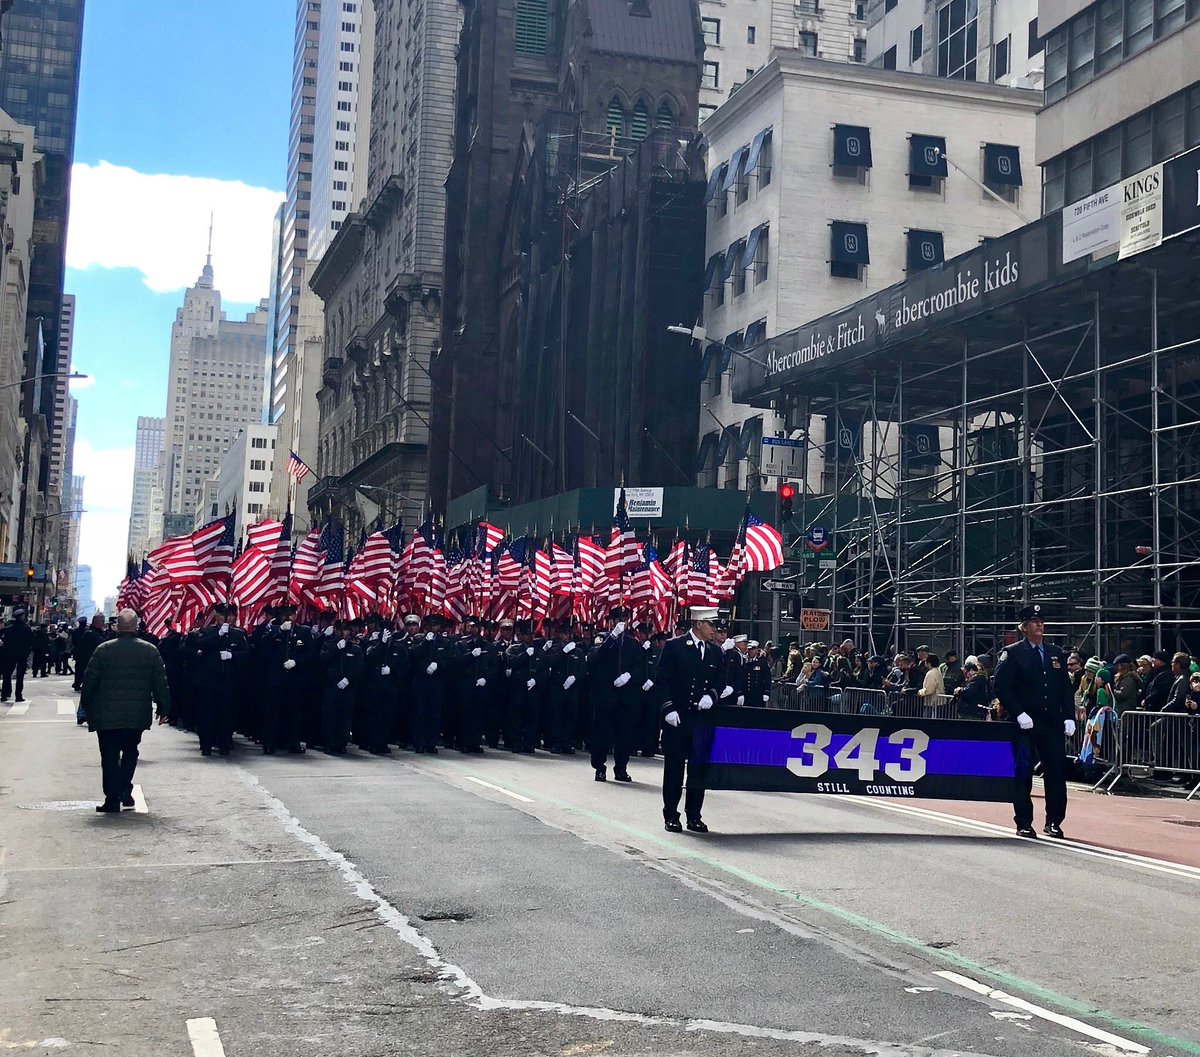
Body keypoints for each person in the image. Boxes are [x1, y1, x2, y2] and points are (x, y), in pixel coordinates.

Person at [993, 604, 1075, 839]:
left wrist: (1069, 715)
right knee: (1023, 773)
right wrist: (1018, 712)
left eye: (1041, 621)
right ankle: (1024, 822)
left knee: (1056, 772)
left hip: (1051, 721)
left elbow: (1064, 688)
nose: (1040, 625)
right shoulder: (1013, 652)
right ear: (1024, 627)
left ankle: (1054, 821)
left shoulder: (1055, 652)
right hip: (1026, 722)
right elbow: (1002, 686)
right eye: (1034, 622)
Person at [80, 609, 171, 813]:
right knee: (131, 751)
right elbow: (160, 683)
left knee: (109, 756)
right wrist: (164, 708)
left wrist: (87, 706)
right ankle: (123, 789)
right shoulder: (150, 651)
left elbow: (89, 682)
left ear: (118, 627)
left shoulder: (103, 650)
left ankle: (112, 798)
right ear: (136, 627)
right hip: (136, 714)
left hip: (107, 715)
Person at [654, 605, 726, 833]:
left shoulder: (715, 652)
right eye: (711, 625)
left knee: (698, 769)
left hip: (702, 719)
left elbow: (719, 682)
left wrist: (711, 696)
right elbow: (662, 680)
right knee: (674, 768)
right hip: (679, 717)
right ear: (698, 624)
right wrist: (668, 709)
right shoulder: (675, 647)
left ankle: (694, 814)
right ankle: (671, 814)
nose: (714, 630)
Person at [0, 608, 35, 702]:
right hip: (22, 656)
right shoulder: (26, 629)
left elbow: (4, 641)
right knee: (20, 677)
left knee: (7, 675)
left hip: (9, 655)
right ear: (22, 617)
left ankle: (4, 694)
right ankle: (18, 696)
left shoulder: (9, 629)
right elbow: (31, 642)